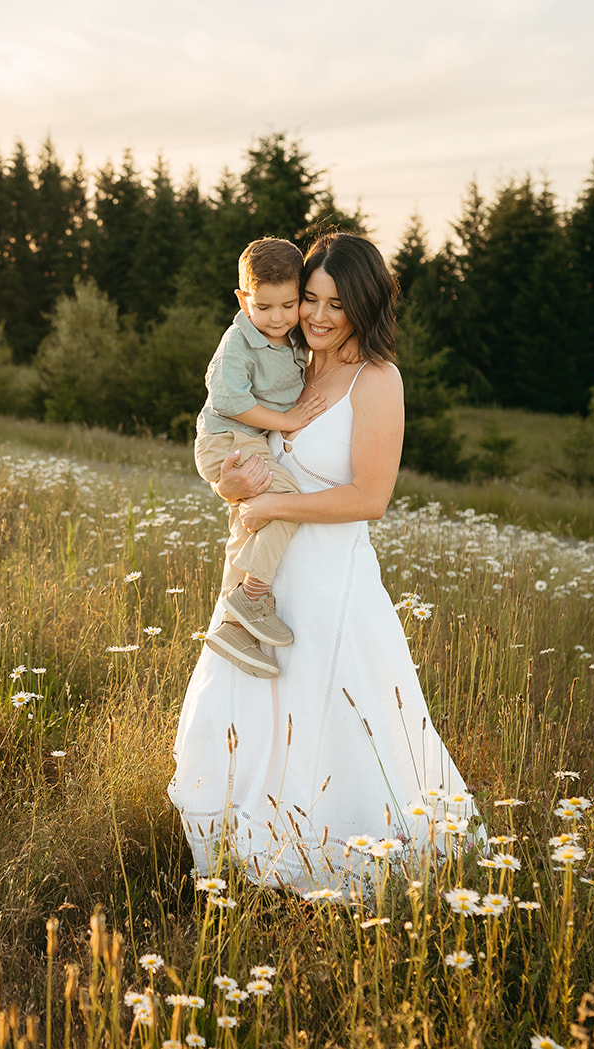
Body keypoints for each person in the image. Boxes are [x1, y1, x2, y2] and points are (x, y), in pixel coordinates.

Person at [168, 231, 478, 895]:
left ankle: (338, 870)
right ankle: (243, 863)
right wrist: (239, 487)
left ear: (365, 305)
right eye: (309, 297)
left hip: (331, 587)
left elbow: (371, 497)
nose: (316, 314)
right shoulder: (291, 368)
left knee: (334, 729)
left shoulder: (378, 380)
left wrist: (276, 508)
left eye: (335, 303)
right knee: (243, 717)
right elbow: (242, 475)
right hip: (265, 582)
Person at [193, 237, 326, 679]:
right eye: (264, 307)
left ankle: (235, 629)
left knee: (270, 512)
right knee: (285, 498)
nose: (277, 318)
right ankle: (251, 595)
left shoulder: (292, 337)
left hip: (246, 438)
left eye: (288, 306)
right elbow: (229, 400)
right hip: (228, 437)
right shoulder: (237, 340)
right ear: (242, 299)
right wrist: (285, 421)